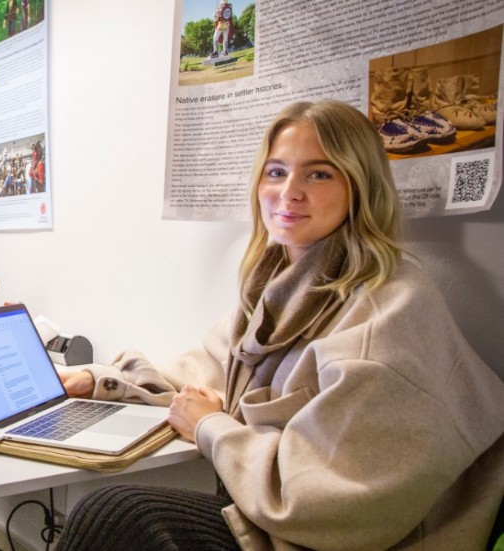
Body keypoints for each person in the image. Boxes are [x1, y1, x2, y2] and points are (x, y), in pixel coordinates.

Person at [55, 100, 504, 550]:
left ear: (361, 187)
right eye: (276, 172)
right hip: (298, 525)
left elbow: (334, 503)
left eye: (319, 174)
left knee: (116, 516)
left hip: (355, 537)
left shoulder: (390, 309)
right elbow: (202, 375)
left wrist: (213, 429)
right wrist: (99, 379)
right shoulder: (276, 286)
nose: (290, 192)